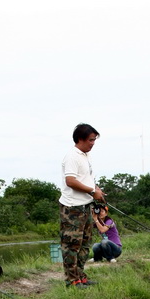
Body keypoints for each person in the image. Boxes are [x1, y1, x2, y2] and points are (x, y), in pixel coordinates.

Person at [59, 123, 105, 287]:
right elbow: (70, 181)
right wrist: (93, 192)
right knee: (72, 245)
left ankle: (80, 276)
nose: (93, 143)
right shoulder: (72, 156)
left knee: (85, 243)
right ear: (80, 139)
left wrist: (96, 190)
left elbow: (87, 179)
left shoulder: (85, 156)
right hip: (72, 208)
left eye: (94, 140)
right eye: (91, 140)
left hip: (86, 205)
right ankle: (71, 280)